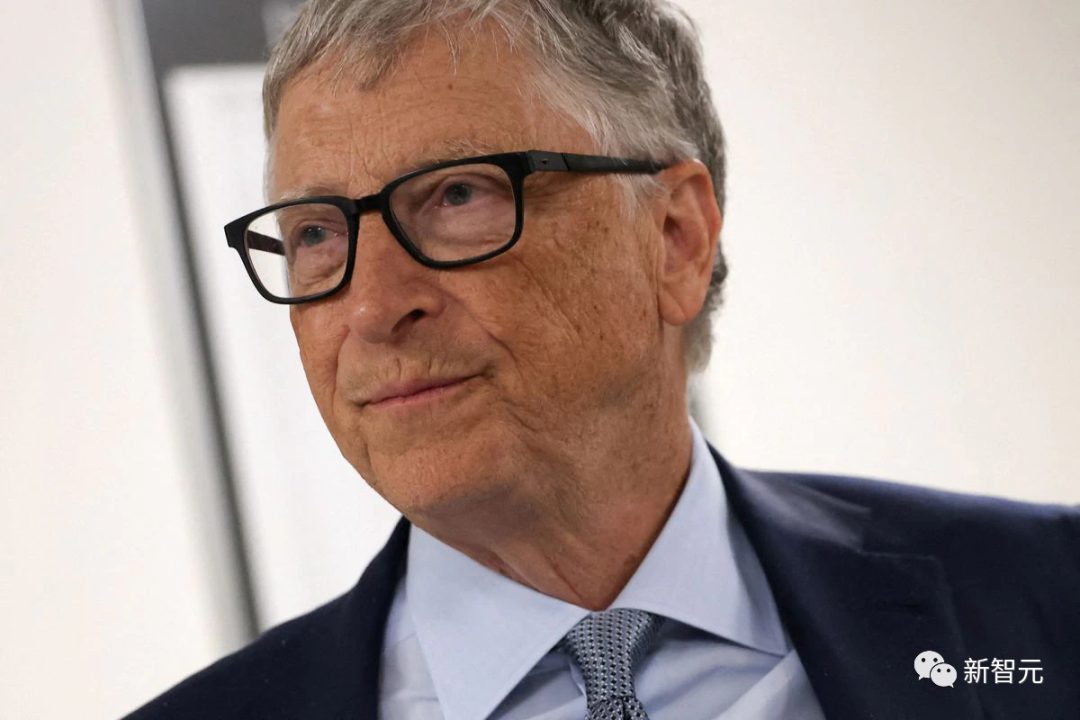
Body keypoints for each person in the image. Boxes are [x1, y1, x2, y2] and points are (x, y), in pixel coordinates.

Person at [126, 1, 1079, 718]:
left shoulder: (1050, 598)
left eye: (458, 196)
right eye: (317, 234)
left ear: (674, 238)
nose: (373, 307)